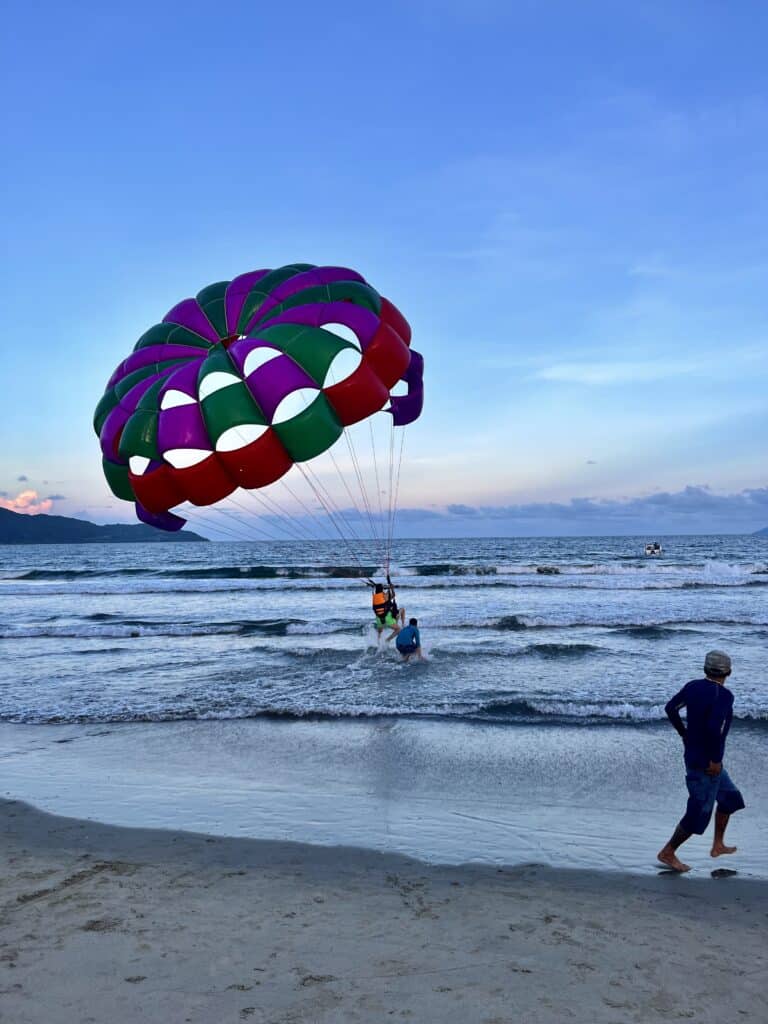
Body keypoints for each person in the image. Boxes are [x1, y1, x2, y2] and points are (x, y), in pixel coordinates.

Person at [657, 650, 745, 873]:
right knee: (698, 813)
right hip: (706, 765)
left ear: (705, 669)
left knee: (731, 800)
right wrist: (715, 760)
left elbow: (671, 708)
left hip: (699, 758)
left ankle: (718, 845)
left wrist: (683, 733)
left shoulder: (693, 687)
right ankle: (668, 852)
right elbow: (715, 728)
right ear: (729, 672)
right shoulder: (724, 696)